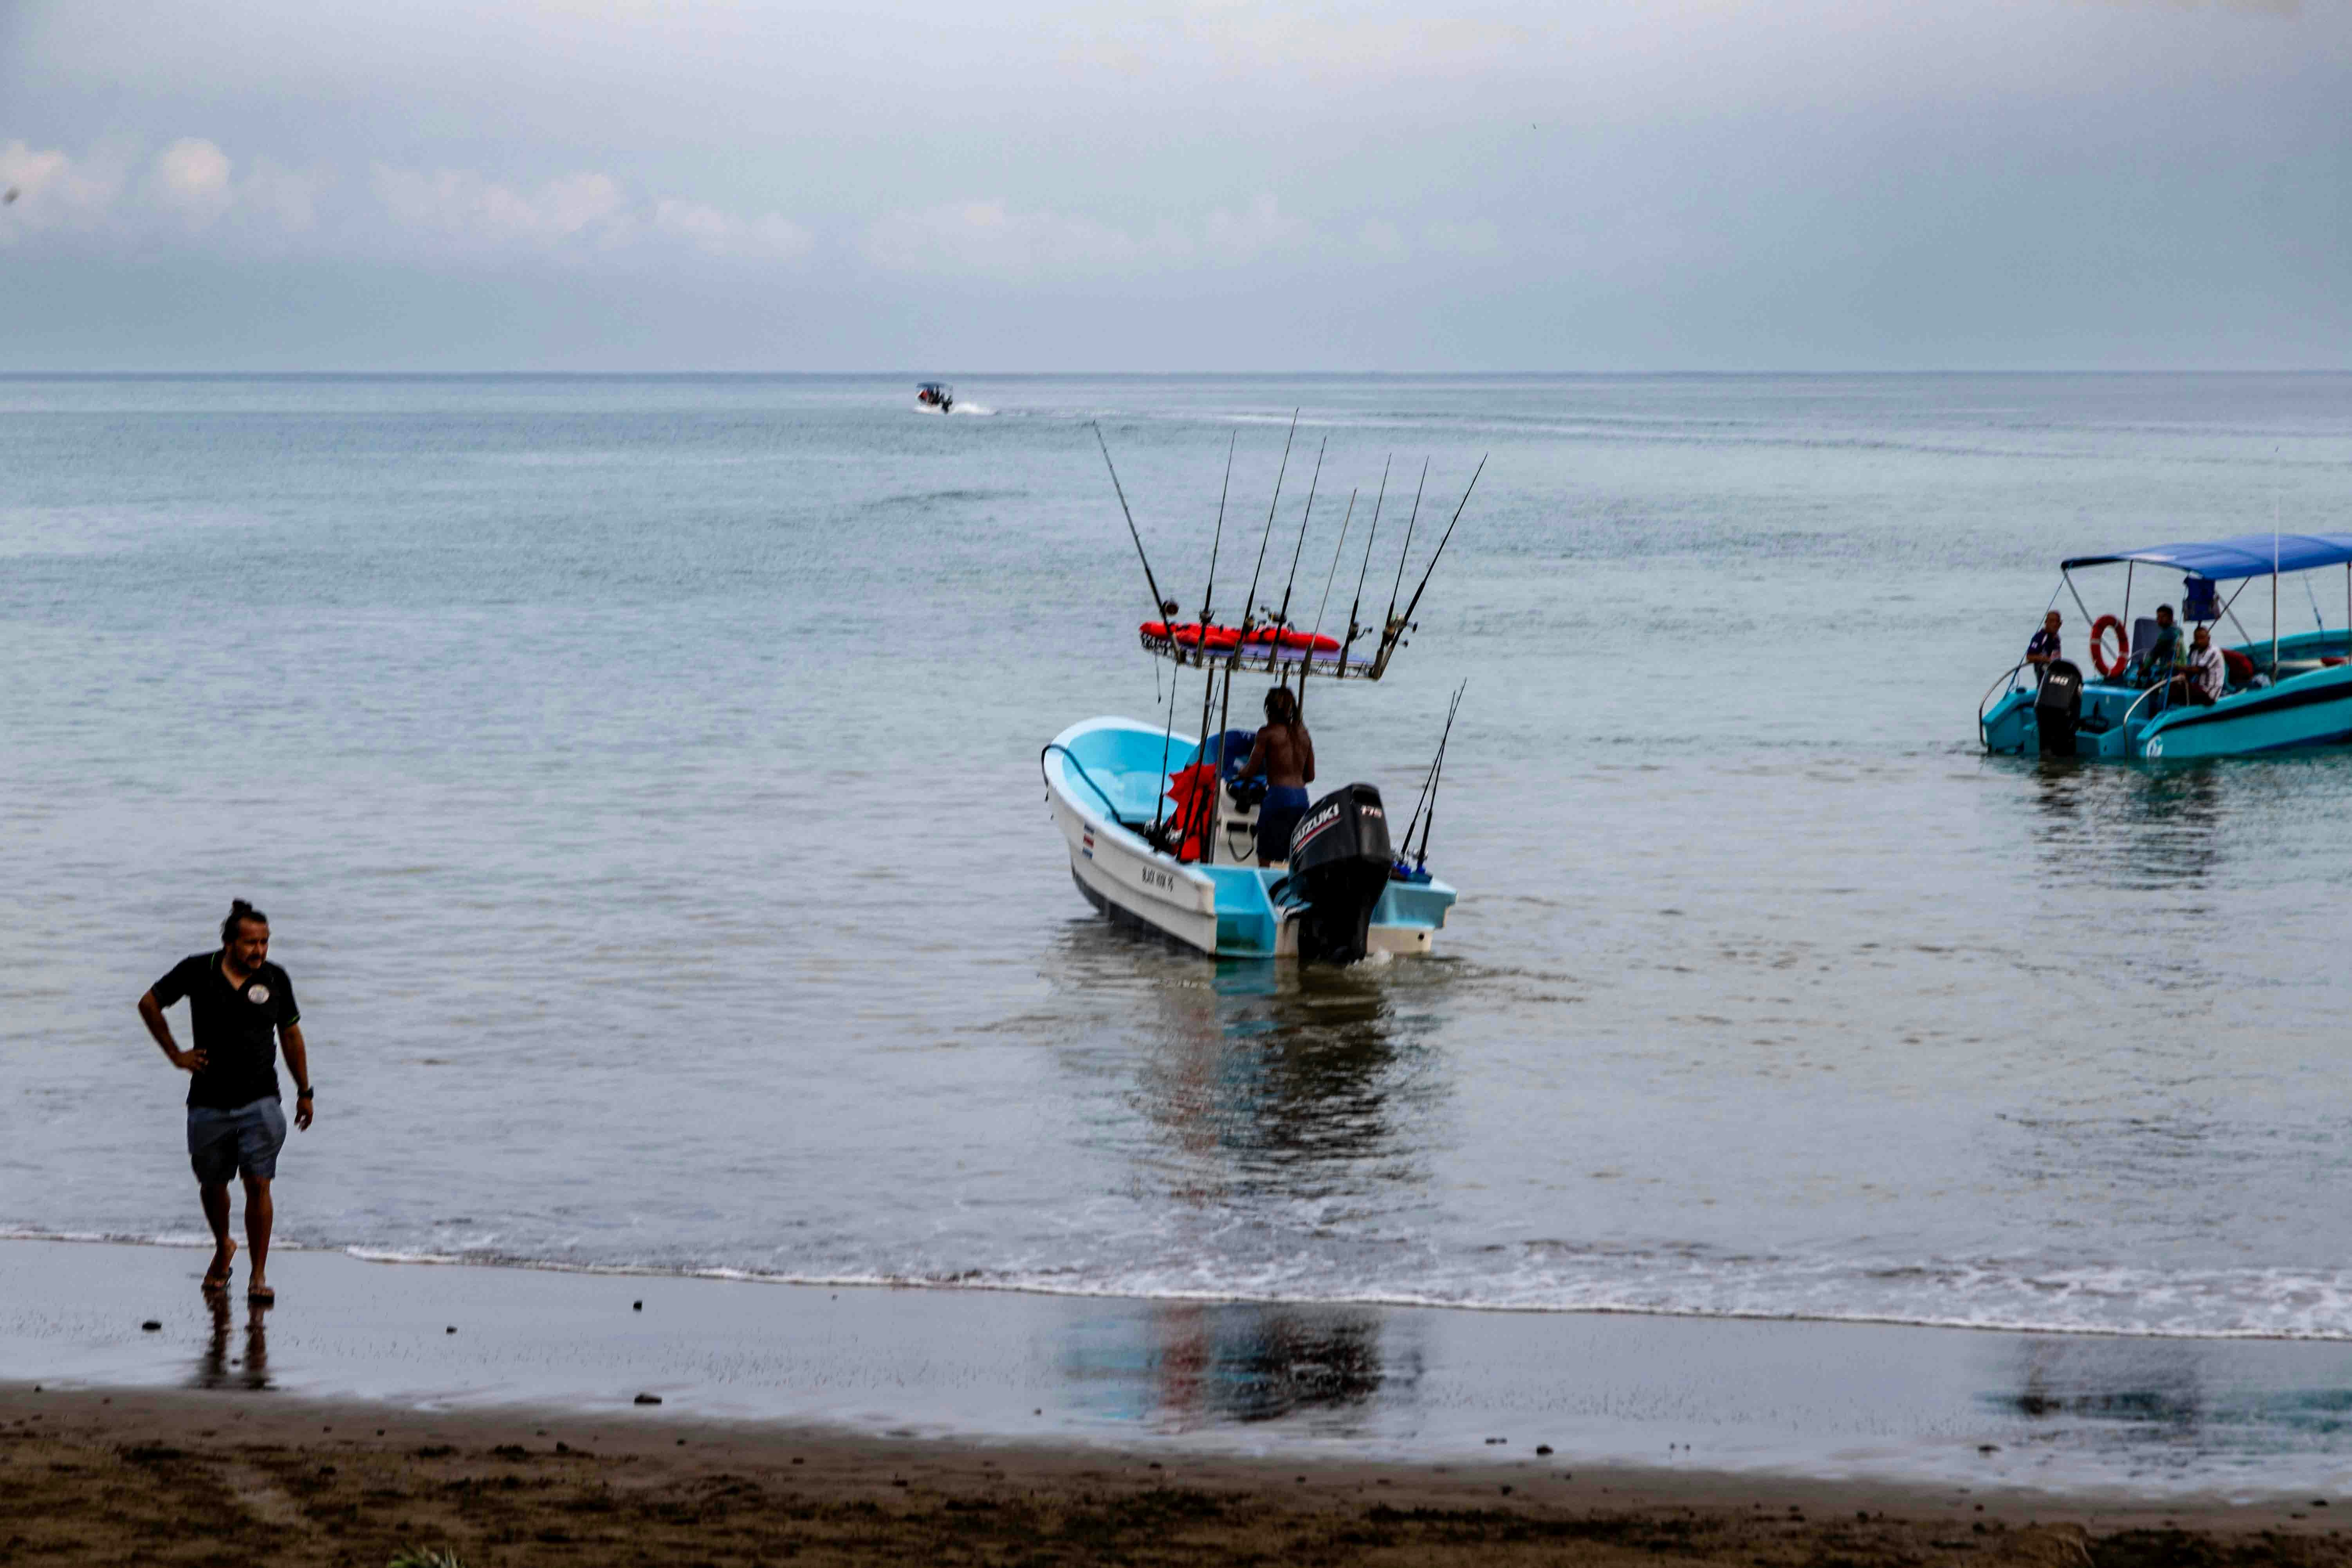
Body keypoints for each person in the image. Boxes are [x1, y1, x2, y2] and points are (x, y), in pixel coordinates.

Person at [137, 900, 313, 1305]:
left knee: (258, 1182)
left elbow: (291, 1036)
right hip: (208, 1102)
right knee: (213, 1185)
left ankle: (258, 1275)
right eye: (251, 943)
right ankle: (223, 1245)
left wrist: (305, 1091)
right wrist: (175, 1055)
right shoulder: (198, 970)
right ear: (230, 942)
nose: (259, 951)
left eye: (265, 942)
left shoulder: (275, 978)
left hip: (262, 1100)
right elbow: (149, 1003)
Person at [1242, 685, 1316, 866]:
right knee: (1295, 854)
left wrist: (1238, 772)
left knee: (1265, 854)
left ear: (1269, 710)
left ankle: (1266, 890)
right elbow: (1310, 775)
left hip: (1278, 797)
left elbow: (1251, 770)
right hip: (1301, 799)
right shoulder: (1304, 734)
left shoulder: (1266, 733)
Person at [2176, 624, 2225, 707]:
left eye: (2202, 638)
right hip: (2200, 687)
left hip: (2210, 693)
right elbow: (2190, 670)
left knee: (2177, 690)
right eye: (2197, 639)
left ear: (2209, 638)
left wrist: (2177, 666)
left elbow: (2197, 670)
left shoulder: (2213, 652)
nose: (2199, 642)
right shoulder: (2195, 652)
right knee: (2176, 686)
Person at [2136, 604, 2182, 689]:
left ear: (2171, 618)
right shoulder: (2178, 631)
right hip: (2175, 669)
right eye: (2158, 617)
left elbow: (2155, 653)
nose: (2159, 620)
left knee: (2147, 684)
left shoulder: (2167, 634)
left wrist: (2145, 668)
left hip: (2170, 671)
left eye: (2163, 617)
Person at [2024, 610, 2063, 683]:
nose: (2054, 624)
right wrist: (2045, 659)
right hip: (2043, 673)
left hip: (2056, 673)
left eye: (2057, 622)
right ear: (2046, 622)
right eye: (2051, 621)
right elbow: (2029, 657)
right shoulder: (2039, 637)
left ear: (2060, 624)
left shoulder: (2057, 638)